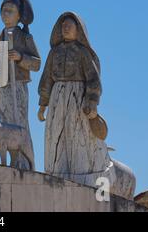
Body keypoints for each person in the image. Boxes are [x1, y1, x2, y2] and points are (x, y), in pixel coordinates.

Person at [38, 12, 110, 185]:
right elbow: (46, 78)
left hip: (77, 97)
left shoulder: (83, 52)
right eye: (63, 26)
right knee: (55, 134)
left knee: (77, 135)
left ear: (79, 30)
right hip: (56, 97)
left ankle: (80, 175)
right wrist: (43, 104)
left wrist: (91, 102)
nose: (66, 28)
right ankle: (56, 172)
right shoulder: (54, 52)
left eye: (70, 26)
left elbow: (93, 80)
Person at [0, 0, 41, 170]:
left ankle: (25, 163)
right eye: (3, 10)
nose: (5, 14)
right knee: (4, 123)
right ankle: (11, 160)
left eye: (10, 11)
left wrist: (20, 57)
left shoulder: (25, 38)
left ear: (19, 15)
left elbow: (37, 64)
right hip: (2, 86)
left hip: (18, 85)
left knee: (20, 124)